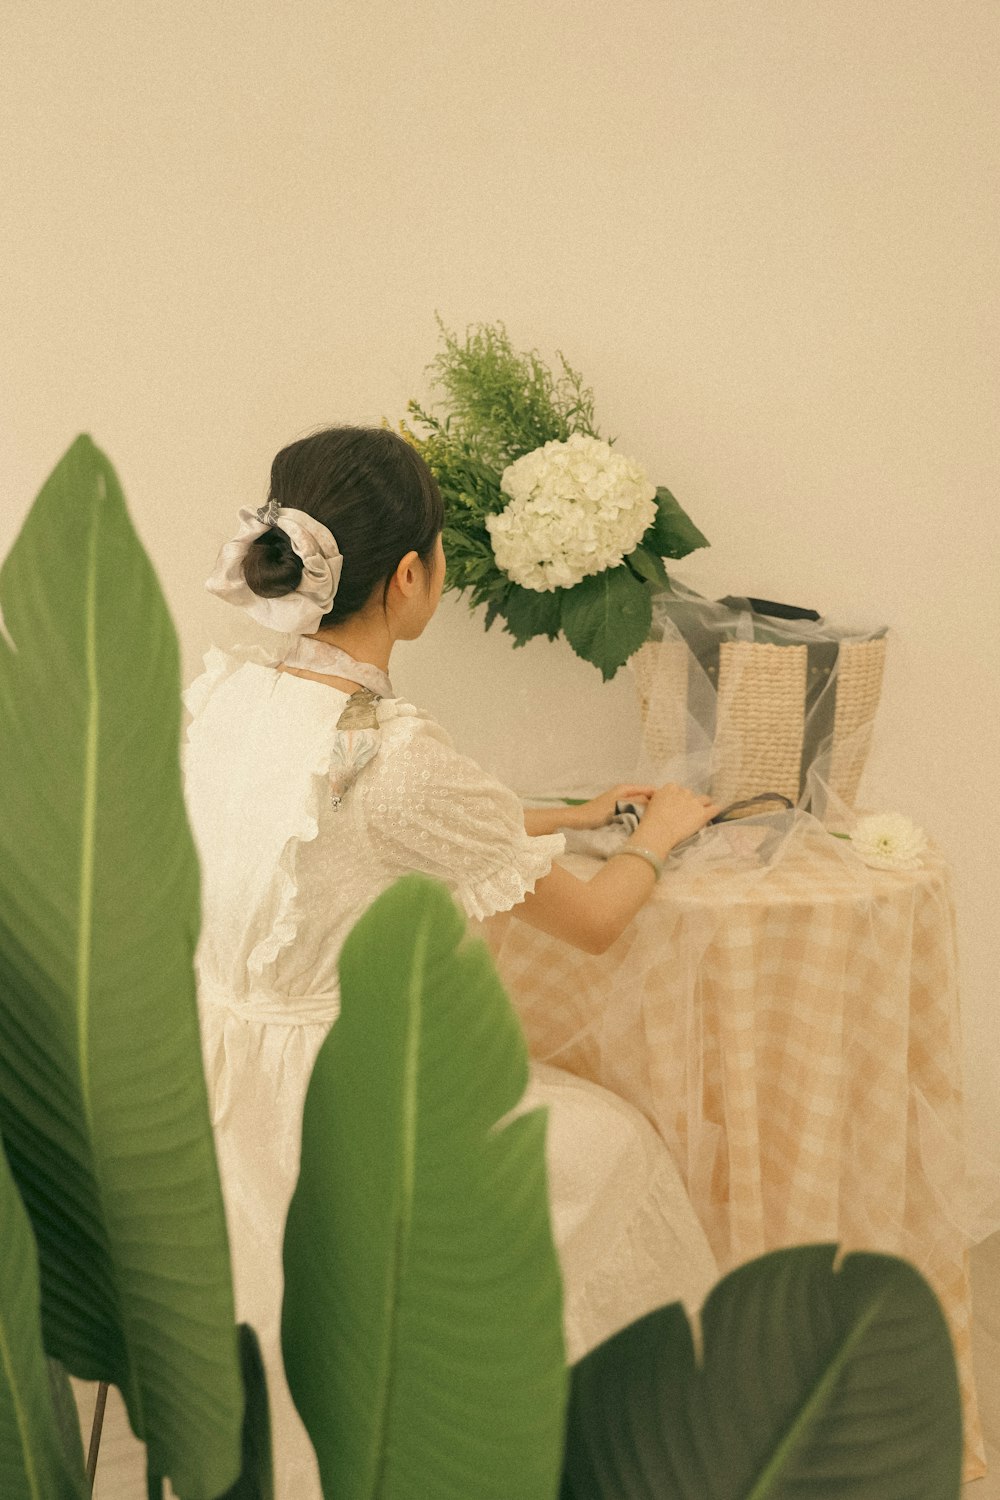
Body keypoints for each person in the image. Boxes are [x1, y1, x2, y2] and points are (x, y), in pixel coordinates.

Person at [182, 425, 720, 1498]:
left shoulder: (232, 696)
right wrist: (660, 833)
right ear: (414, 574)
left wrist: (562, 812)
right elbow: (597, 921)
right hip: (334, 1122)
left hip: (208, 1091)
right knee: (611, 1144)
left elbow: (349, 830)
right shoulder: (394, 751)